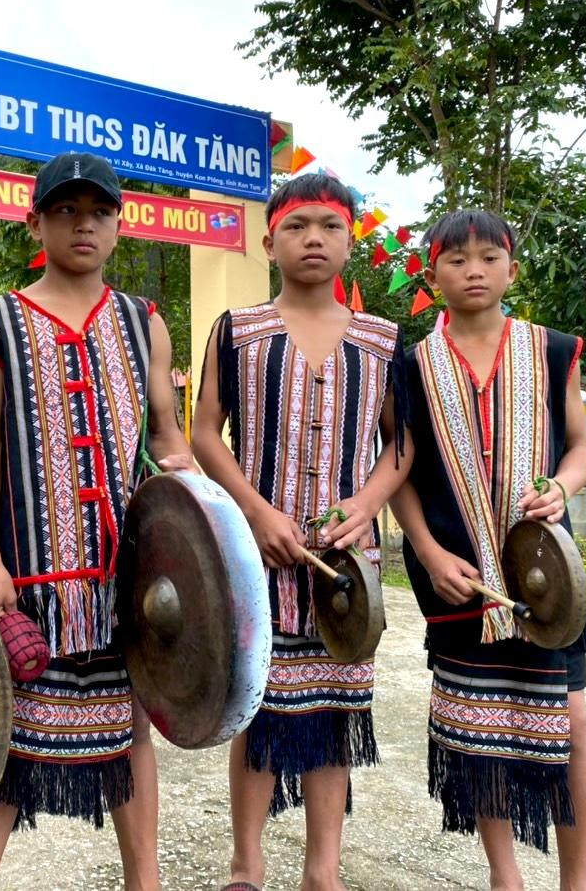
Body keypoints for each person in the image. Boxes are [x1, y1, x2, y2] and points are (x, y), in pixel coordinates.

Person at [0, 152, 193, 891]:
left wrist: (198, 509)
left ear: (120, 227)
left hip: (125, 578)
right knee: (8, 733)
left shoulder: (141, 322)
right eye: (66, 210)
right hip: (34, 574)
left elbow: (167, 435)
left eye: (99, 211)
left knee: (129, 729)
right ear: (36, 220)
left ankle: (144, 880)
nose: (83, 223)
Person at [192, 172, 410, 891]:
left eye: (328, 226)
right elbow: (204, 434)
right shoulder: (237, 331)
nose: (312, 238)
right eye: (296, 226)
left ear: (352, 241)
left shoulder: (383, 341)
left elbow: (401, 447)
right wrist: (256, 511)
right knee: (255, 706)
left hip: (349, 572)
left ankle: (325, 871)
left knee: (337, 713)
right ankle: (245, 865)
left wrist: (365, 503)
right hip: (256, 559)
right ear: (268, 241)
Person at [389, 210, 586, 891]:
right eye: (456, 259)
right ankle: (504, 877)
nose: (472, 270)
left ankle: (579, 881)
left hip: (544, 579)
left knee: (568, 724)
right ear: (432, 273)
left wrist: (562, 489)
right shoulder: (413, 365)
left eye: (487, 257)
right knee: (479, 733)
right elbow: (401, 472)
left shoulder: (553, 349)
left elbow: (580, 446)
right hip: (459, 579)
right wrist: (424, 550)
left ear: (511, 266)